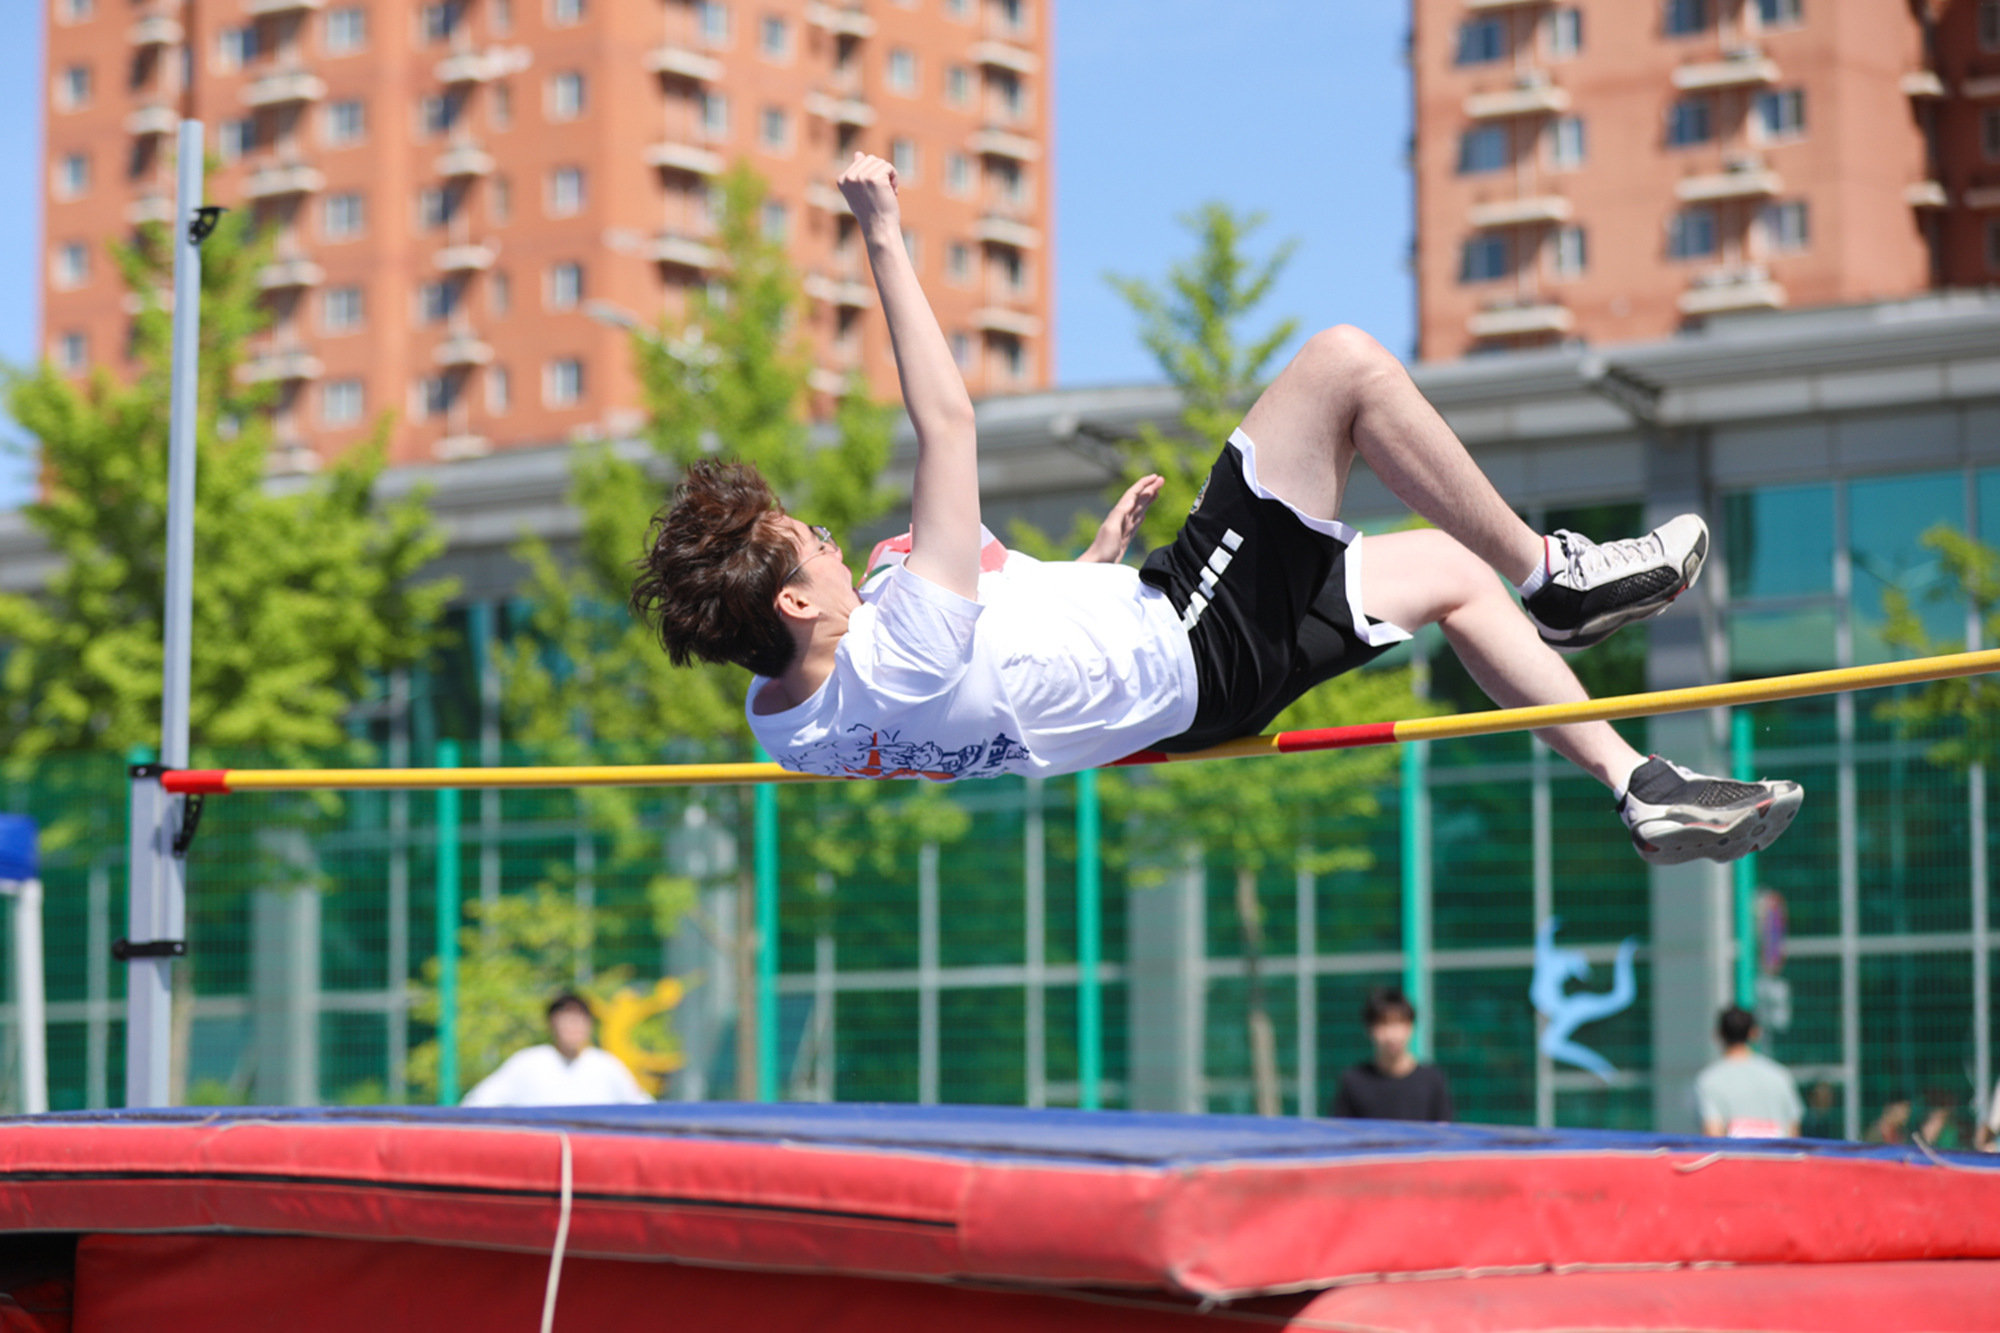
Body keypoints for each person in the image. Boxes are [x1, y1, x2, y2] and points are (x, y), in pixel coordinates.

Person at [630, 153, 1804, 866]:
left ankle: (1634, 787)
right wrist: (881, 233)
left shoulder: (783, 723)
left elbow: (965, 728)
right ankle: (1560, 579)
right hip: (1191, 638)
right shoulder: (904, 643)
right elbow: (948, 424)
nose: (825, 536)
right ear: (793, 603)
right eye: (803, 543)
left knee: (1450, 576)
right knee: (1342, 365)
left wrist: (1075, 577)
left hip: (1183, 688)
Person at [460, 992, 654, 1108]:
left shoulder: (606, 1065)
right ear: (551, 1023)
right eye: (566, 1019)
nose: (573, 1026)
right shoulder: (528, 1063)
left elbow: (643, 1107)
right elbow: (479, 1102)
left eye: (579, 1019)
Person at [1331, 986, 1453, 1122]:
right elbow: (1341, 1130)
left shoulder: (1432, 1081)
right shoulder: (1353, 1081)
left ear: (1411, 1027)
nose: (1392, 1034)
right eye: (1383, 1024)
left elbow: (1443, 1130)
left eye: (1399, 1023)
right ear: (1369, 1029)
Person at [1695, 1006, 1802, 1138]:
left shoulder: (1708, 1081)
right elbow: (1793, 1133)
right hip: (1777, 1152)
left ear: (1718, 1035)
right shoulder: (1780, 1075)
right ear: (1755, 1033)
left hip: (1734, 1152)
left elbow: (1713, 1134)